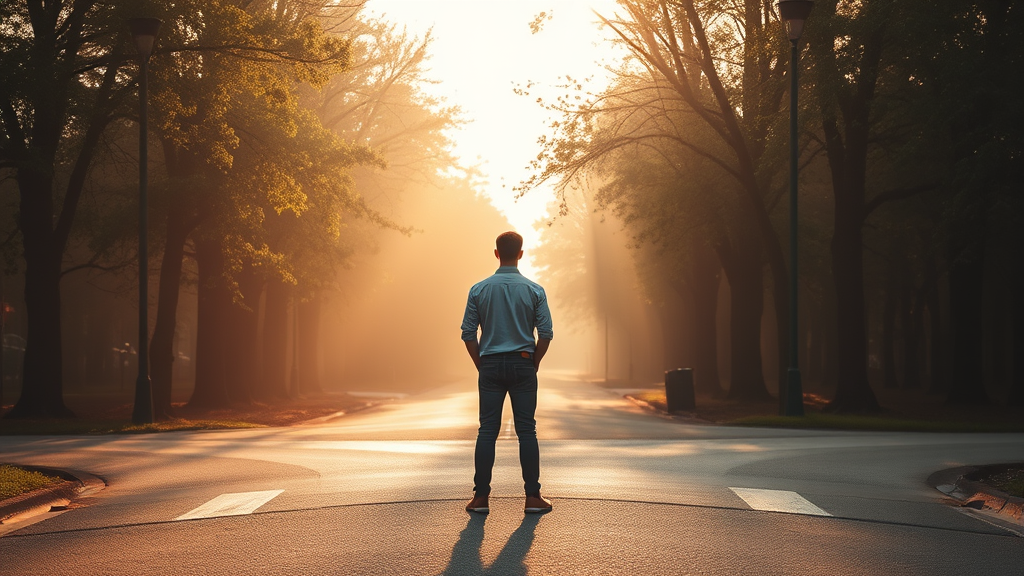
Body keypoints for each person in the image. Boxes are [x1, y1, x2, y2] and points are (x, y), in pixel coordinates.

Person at [461, 231, 553, 514]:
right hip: (523, 361)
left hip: (489, 363)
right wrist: (533, 363)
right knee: (527, 430)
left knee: (487, 430)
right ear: (521, 254)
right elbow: (546, 333)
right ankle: (532, 497)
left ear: (496, 253)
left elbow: (468, 333)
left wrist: (482, 364)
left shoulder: (479, 289)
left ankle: (481, 499)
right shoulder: (534, 290)